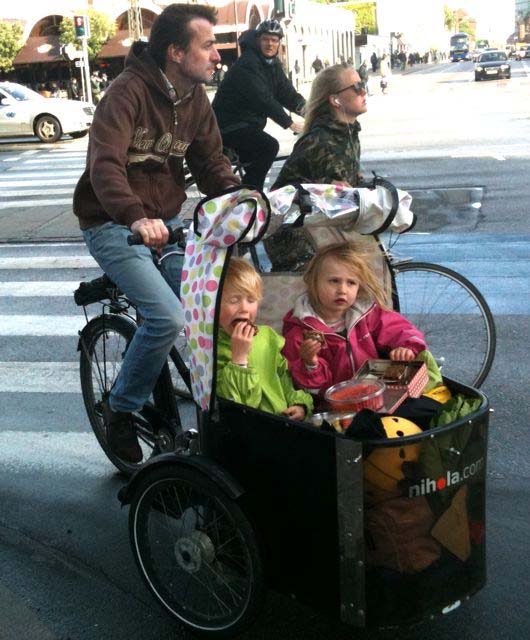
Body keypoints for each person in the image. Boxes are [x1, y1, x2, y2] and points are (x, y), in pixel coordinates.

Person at [73, 3, 240, 462]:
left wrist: (235, 198)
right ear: (175, 51)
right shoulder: (126, 93)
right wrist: (134, 216)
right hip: (113, 223)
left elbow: (209, 161)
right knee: (167, 317)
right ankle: (120, 409)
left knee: (219, 304)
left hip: (163, 224)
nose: (217, 55)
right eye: (207, 46)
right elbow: (104, 166)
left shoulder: (195, 100)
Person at [282, 242, 428, 398]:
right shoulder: (300, 331)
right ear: (313, 282)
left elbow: (399, 329)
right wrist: (310, 363)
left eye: (351, 283)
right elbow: (311, 391)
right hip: (335, 405)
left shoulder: (366, 314)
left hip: (376, 394)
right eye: (334, 281)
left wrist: (405, 348)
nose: (342, 290)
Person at [212, 19, 305, 190]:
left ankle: (249, 192)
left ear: (279, 43)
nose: (270, 44)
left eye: (274, 40)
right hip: (228, 125)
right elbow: (262, 99)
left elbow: (287, 94)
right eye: (266, 39)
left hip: (247, 125)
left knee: (258, 161)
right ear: (257, 40)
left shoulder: (272, 65)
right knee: (268, 147)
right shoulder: (248, 63)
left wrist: (312, 111)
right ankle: (248, 194)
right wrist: (289, 123)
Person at [216, 258, 313, 420]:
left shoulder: (267, 337)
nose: (244, 308)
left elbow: (283, 378)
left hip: (282, 421)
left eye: (251, 300)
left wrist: (299, 404)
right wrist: (239, 359)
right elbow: (240, 405)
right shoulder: (212, 348)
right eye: (233, 300)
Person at [271, 63, 367, 190]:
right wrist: (324, 186)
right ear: (335, 100)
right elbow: (278, 191)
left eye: (362, 84)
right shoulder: (318, 139)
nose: (363, 91)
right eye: (356, 87)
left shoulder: (349, 132)